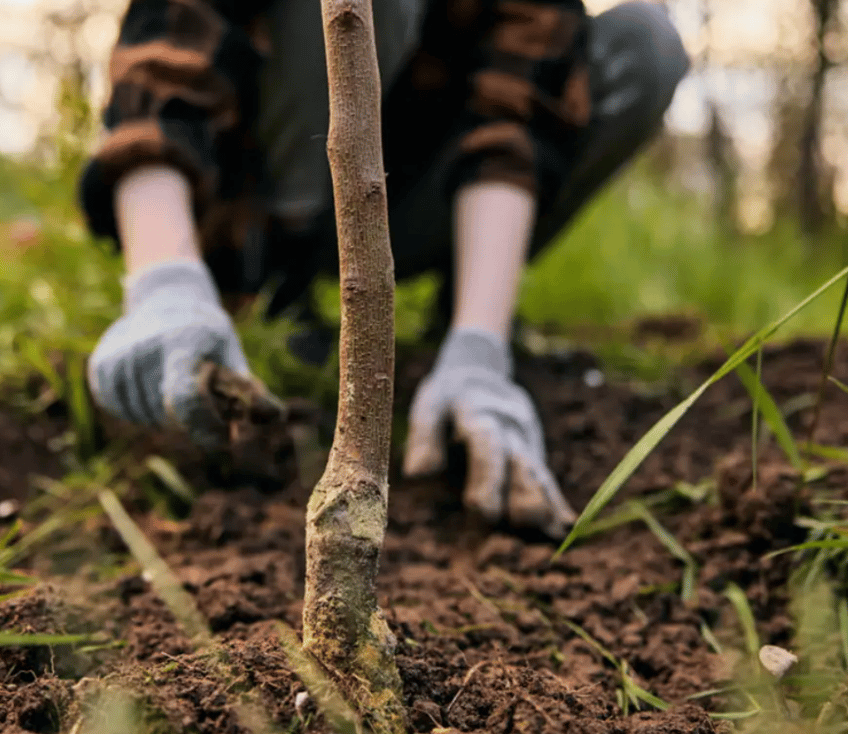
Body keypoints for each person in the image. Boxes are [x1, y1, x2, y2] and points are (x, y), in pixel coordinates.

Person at [78, 0, 689, 539]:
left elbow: (516, 116)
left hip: (409, 188)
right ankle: (279, 293)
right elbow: (164, 66)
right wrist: (164, 279)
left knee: (646, 41)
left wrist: (479, 347)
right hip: (255, 188)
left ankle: (456, 333)